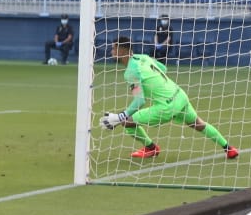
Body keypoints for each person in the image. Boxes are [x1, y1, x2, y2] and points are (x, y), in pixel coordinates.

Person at [102, 36, 238, 160]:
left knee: (127, 121)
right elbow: (163, 68)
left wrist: (120, 117)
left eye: (114, 48)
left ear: (123, 50)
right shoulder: (143, 57)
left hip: (166, 106)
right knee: (198, 124)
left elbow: (140, 101)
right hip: (179, 94)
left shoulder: (131, 71)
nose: (112, 50)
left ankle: (151, 148)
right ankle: (229, 149)